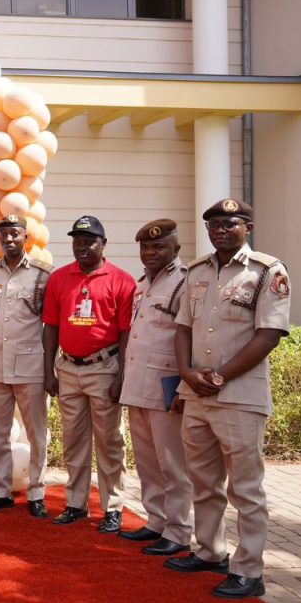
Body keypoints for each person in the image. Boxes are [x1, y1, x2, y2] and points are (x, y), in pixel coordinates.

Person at [165, 198, 290, 599]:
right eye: (214, 224)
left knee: (245, 489)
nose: (219, 229)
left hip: (239, 397)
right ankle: (210, 551)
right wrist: (186, 373)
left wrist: (220, 376)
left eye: (229, 223)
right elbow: (182, 327)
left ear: (247, 228)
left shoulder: (267, 271)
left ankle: (249, 571)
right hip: (197, 393)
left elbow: (269, 335)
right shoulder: (197, 271)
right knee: (203, 482)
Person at [42, 215, 135, 532]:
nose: (82, 247)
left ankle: (113, 507)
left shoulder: (121, 280)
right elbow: (50, 327)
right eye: (77, 241)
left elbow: (126, 334)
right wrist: (48, 370)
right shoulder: (59, 278)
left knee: (109, 442)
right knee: (74, 441)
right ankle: (75, 503)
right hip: (68, 368)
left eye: (89, 241)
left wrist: (122, 376)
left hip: (103, 368)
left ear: (103, 244)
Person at [118, 219, 193, 556]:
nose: (150, 252)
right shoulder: (143, 284)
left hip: (166, 386)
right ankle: (156, 521)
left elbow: (190, 337)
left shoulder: (185, 282)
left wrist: (183, 386)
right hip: (139, 384)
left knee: (172, 463)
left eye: (158, 246)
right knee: (147, 461)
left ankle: (179, 530)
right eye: (145, 247)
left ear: (176, 248)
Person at [0, 214, 52, 518]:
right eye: (4, 234)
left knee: (37, 433)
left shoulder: (42, 275)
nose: (9, 239)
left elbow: (50, 322)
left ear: (25, 238)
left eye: (15, 234)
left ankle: (37, 492)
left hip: (29, 364)